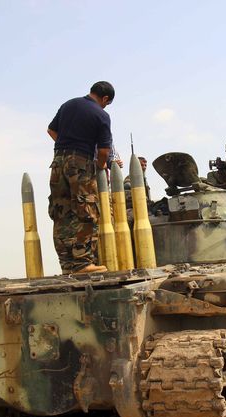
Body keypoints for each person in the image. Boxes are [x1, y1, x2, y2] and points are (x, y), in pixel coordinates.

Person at [47, 81, 115, 274]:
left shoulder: (69, 104)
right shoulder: (101, 115)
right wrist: (99, 165)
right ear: (105, 99)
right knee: (87, 210)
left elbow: (51, 130)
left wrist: (66, 146)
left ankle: (67, 264)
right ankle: (83, 263)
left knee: (61, 212)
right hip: (81, 163)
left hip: (58, 162)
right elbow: (103, 151)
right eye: (106, 103)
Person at [123, 156, 152, 224]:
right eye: (141, 165)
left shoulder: (144, 180)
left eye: (145, 165)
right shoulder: (129, 180)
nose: (144, 167)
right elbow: (127, 196)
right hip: (132, 208)